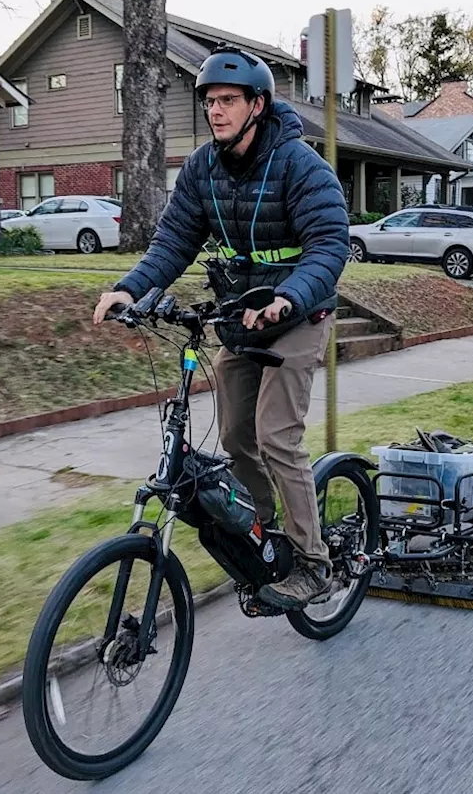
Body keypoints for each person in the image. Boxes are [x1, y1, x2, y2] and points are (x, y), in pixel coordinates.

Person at [93, 44, 350, 611]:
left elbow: (330, 246)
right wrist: (130, 288)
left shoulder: (301, 165)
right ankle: (261, 540)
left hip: (300, 315)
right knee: (235, 439)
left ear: (257, 105)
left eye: (229, 100)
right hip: (240, 317)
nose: (216, 111)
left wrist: (288, 298)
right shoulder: (202, 170)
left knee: (276, 436)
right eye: (209, 101)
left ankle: (313, 563)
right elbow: (172, 242)